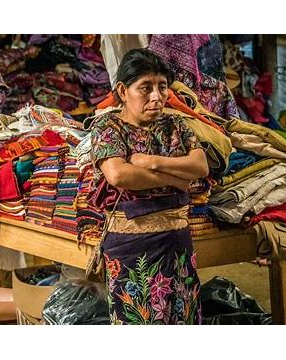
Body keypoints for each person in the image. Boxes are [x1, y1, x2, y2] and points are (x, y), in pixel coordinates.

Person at [87, 48, 209, 324]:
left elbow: (200, 166)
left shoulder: (175, 123)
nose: (157, 96)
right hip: (132, 247)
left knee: (183, 320)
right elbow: (118, 175)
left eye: (162, 87)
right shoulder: (108, 126)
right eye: (145, 88)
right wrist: (177, 178)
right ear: (122, 90)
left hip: (177, 243)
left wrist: (150, 162)